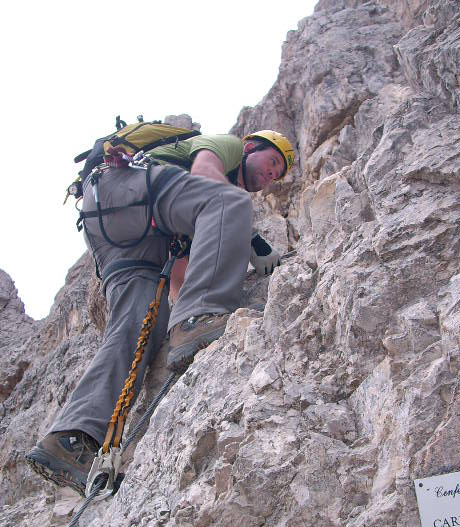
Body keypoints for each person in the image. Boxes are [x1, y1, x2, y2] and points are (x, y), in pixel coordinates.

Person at [25, 129, 295, 495]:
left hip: (114, 222)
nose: (270, 176)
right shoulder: (227, 147)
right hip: (130, 189)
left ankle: (70, 439)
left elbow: (182, 277)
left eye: (277, 175)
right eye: (272, 161)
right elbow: (204, 174)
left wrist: (182, 325)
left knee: (139, 329)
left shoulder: (189, 208)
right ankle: (200, 318)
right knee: (231, 202)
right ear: (249, 148)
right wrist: (251, 239)